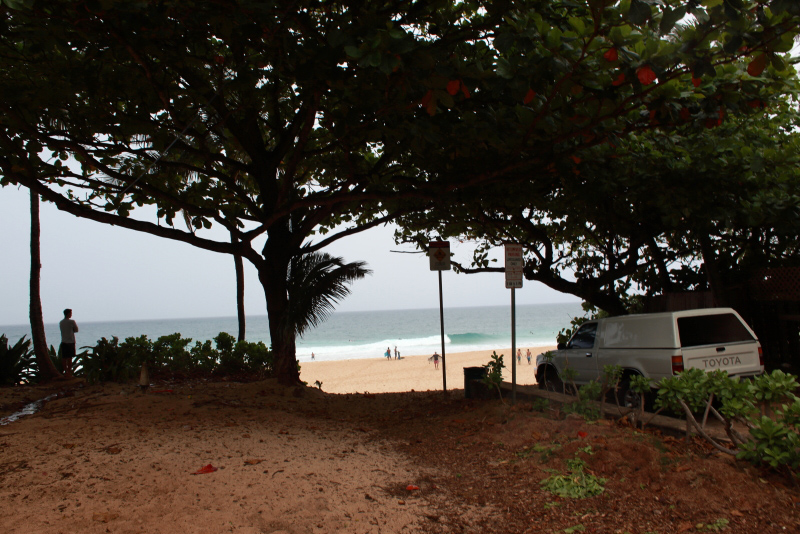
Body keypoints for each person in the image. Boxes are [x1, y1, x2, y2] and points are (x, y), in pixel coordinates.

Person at [59, 308, 79, 378]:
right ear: (68, 314)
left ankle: (65, 372)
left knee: (64, 358)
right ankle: (69, 372)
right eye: (70, 313)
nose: (71, 314)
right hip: (70, 342)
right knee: (69, 358)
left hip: (63, 341)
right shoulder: (72, 321)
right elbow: (76, 330)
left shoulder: (61, 322)